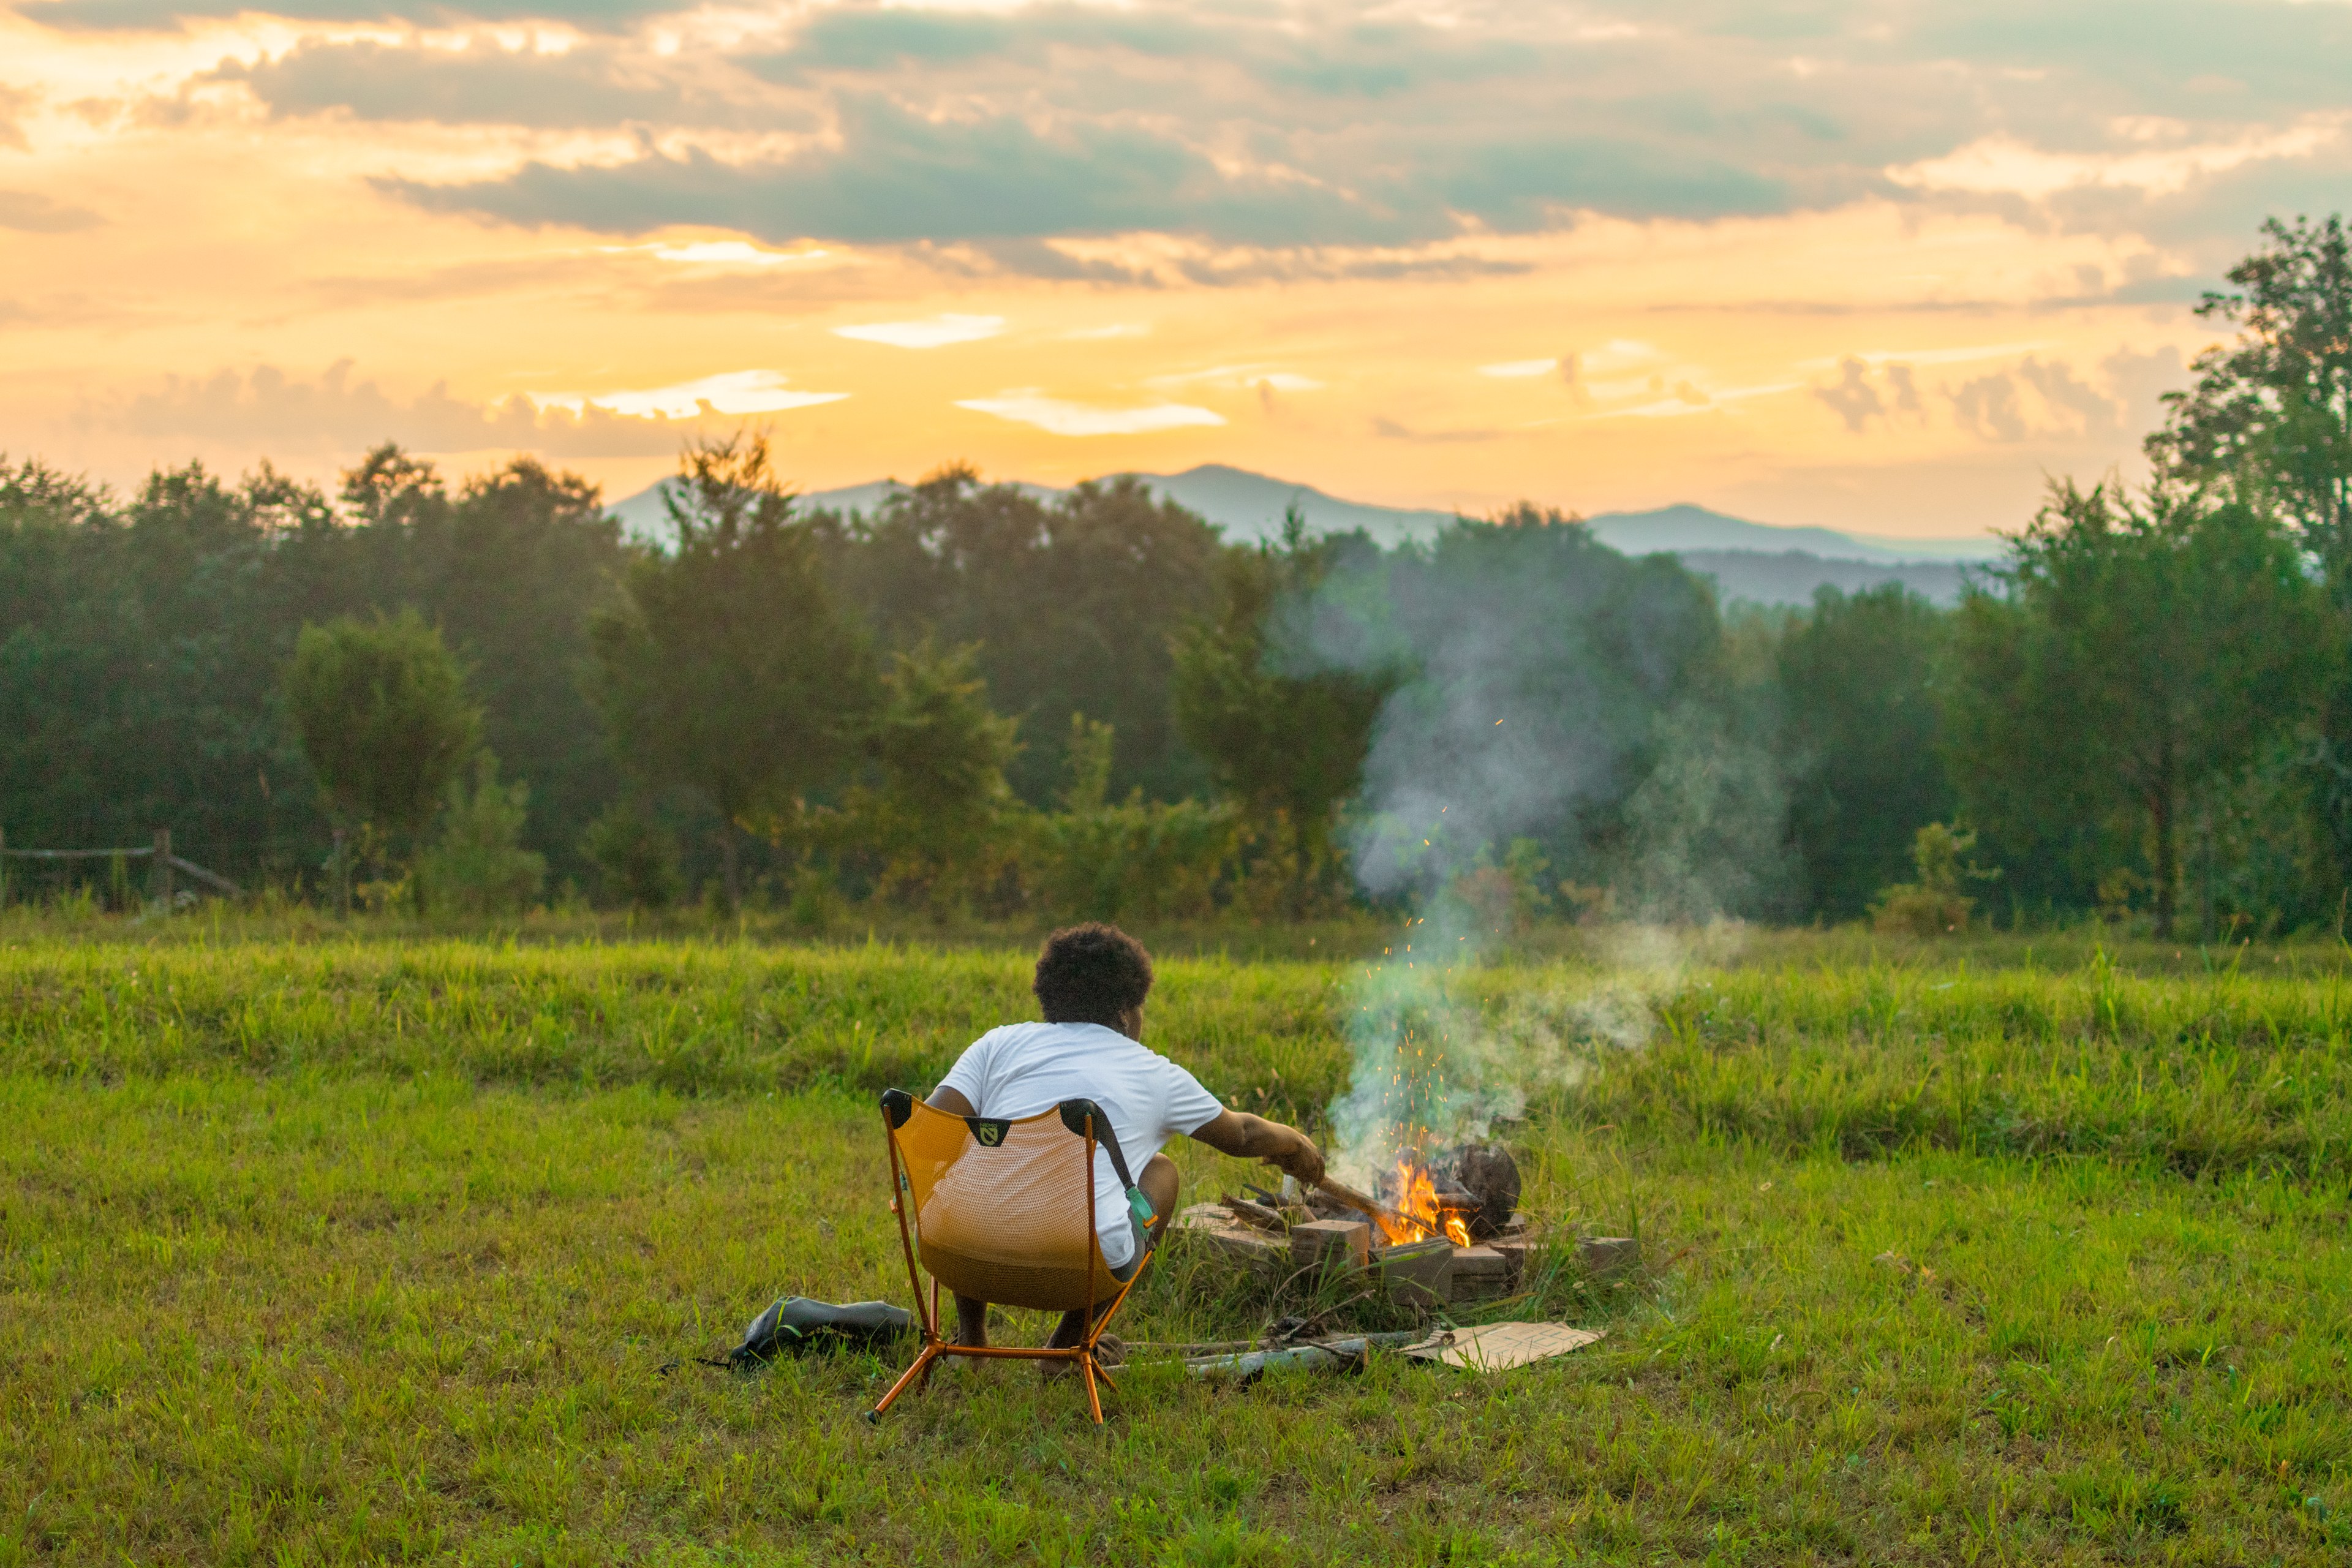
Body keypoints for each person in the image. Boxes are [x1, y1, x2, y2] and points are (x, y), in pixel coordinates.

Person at [925, 922, 1325, 1358]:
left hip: (953, 1253)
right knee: (1161, 1172)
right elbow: (1242, 1134)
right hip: (1079, 1268)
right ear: (1124, 1013)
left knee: (977, 1160)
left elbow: (929, 1126)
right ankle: (1069, 1344)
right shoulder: (1153, 1072)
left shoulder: (998, 1044)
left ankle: (972, 1337)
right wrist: (1296, 1143)